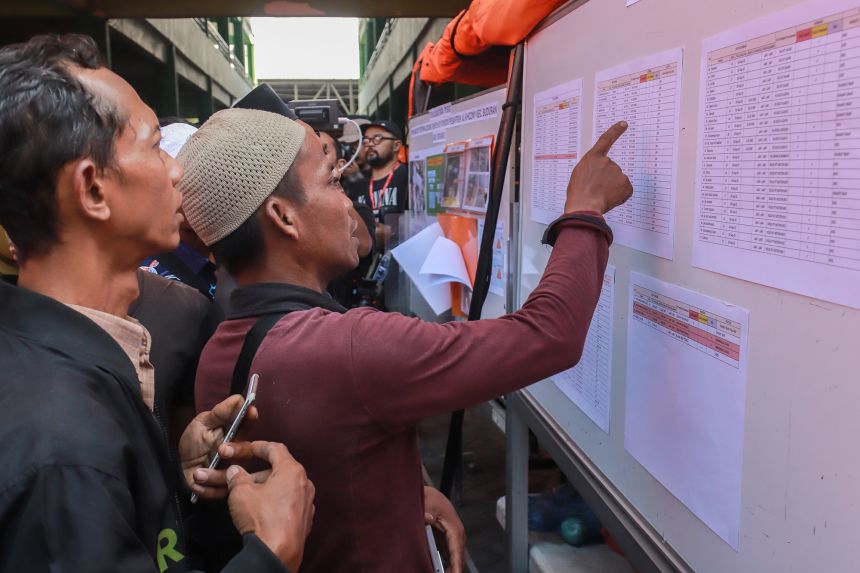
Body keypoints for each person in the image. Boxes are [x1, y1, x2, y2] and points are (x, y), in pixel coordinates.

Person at [180, 106, 631, 573]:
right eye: (332, 183)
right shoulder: (348, 347)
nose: (347, 203)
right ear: (284, 217)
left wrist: (403, 497)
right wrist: (584, 210)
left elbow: (331, 470)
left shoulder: (219, 348)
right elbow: (550, 334)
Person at [0, 34, 315, 572]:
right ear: (93, 190)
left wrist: (166, 472)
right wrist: (269, 552)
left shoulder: (67, 361)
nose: (176, 172)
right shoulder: (63, 449)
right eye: (152, 146)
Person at [348, 120, 409, 248]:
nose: (370, 144)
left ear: (396, 145)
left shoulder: (409, 176)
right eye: (366, 140)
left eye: (377, 138)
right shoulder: (356, 183)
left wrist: (392, 233)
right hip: (369, 262)